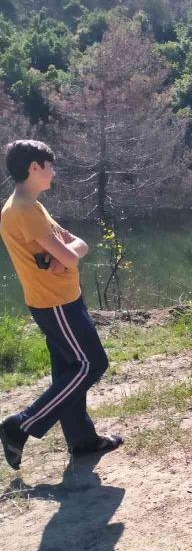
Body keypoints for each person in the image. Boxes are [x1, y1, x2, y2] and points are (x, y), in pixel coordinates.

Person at [0, 140, 123, 470]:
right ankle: (21, 425)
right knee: (91, 365)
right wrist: (71, 253)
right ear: (34, 168)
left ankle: (81, 440)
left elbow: (72, 245)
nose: (53, 170)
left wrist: (71, 253)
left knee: (69, 371)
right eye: (49, 164)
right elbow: (70, 253)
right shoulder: (23, 210)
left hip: (61, 299)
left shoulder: (30, 205)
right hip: (55, 304)